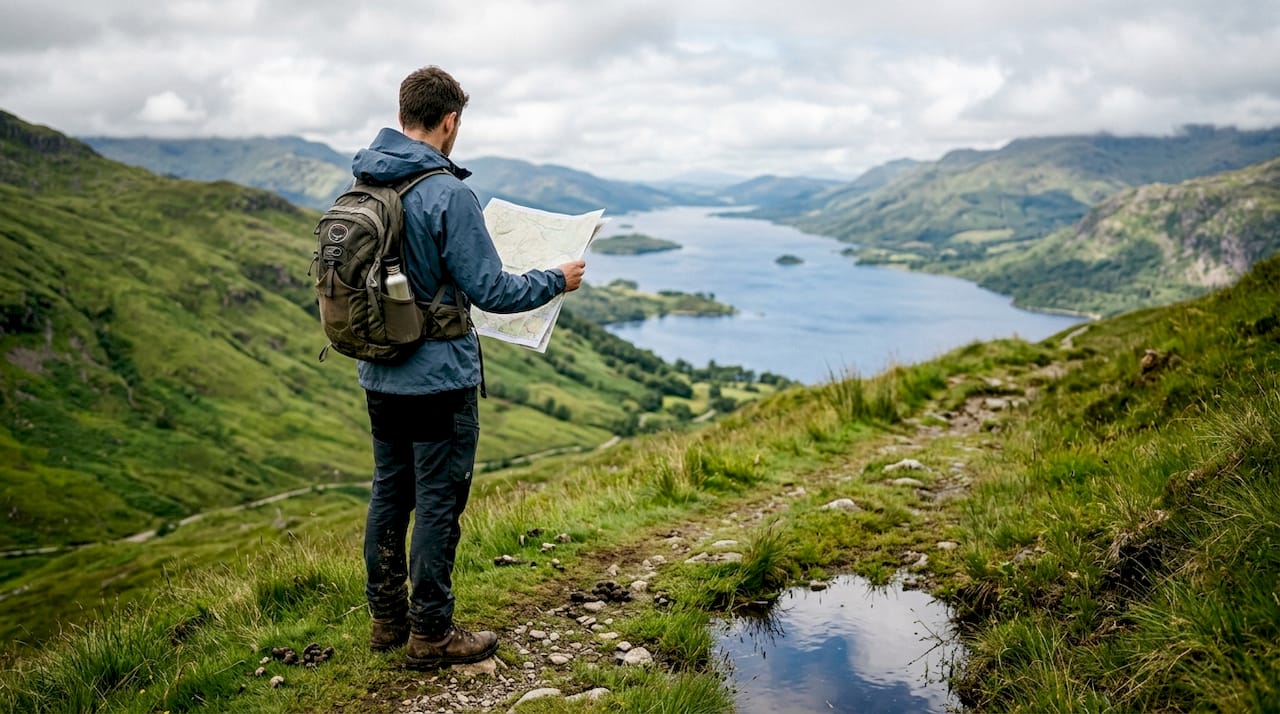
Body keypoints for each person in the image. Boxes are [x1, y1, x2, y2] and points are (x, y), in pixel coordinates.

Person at [352, 66, 586, 670]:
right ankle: (431, 633)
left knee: (389, 493)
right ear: (450, 121)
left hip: (380, 375)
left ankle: (386, 621)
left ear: (405, 114)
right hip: (438, 381)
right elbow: (491, 290)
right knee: (435, 501)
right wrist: (555, 279)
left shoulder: (364, 186)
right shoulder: (447, 193)